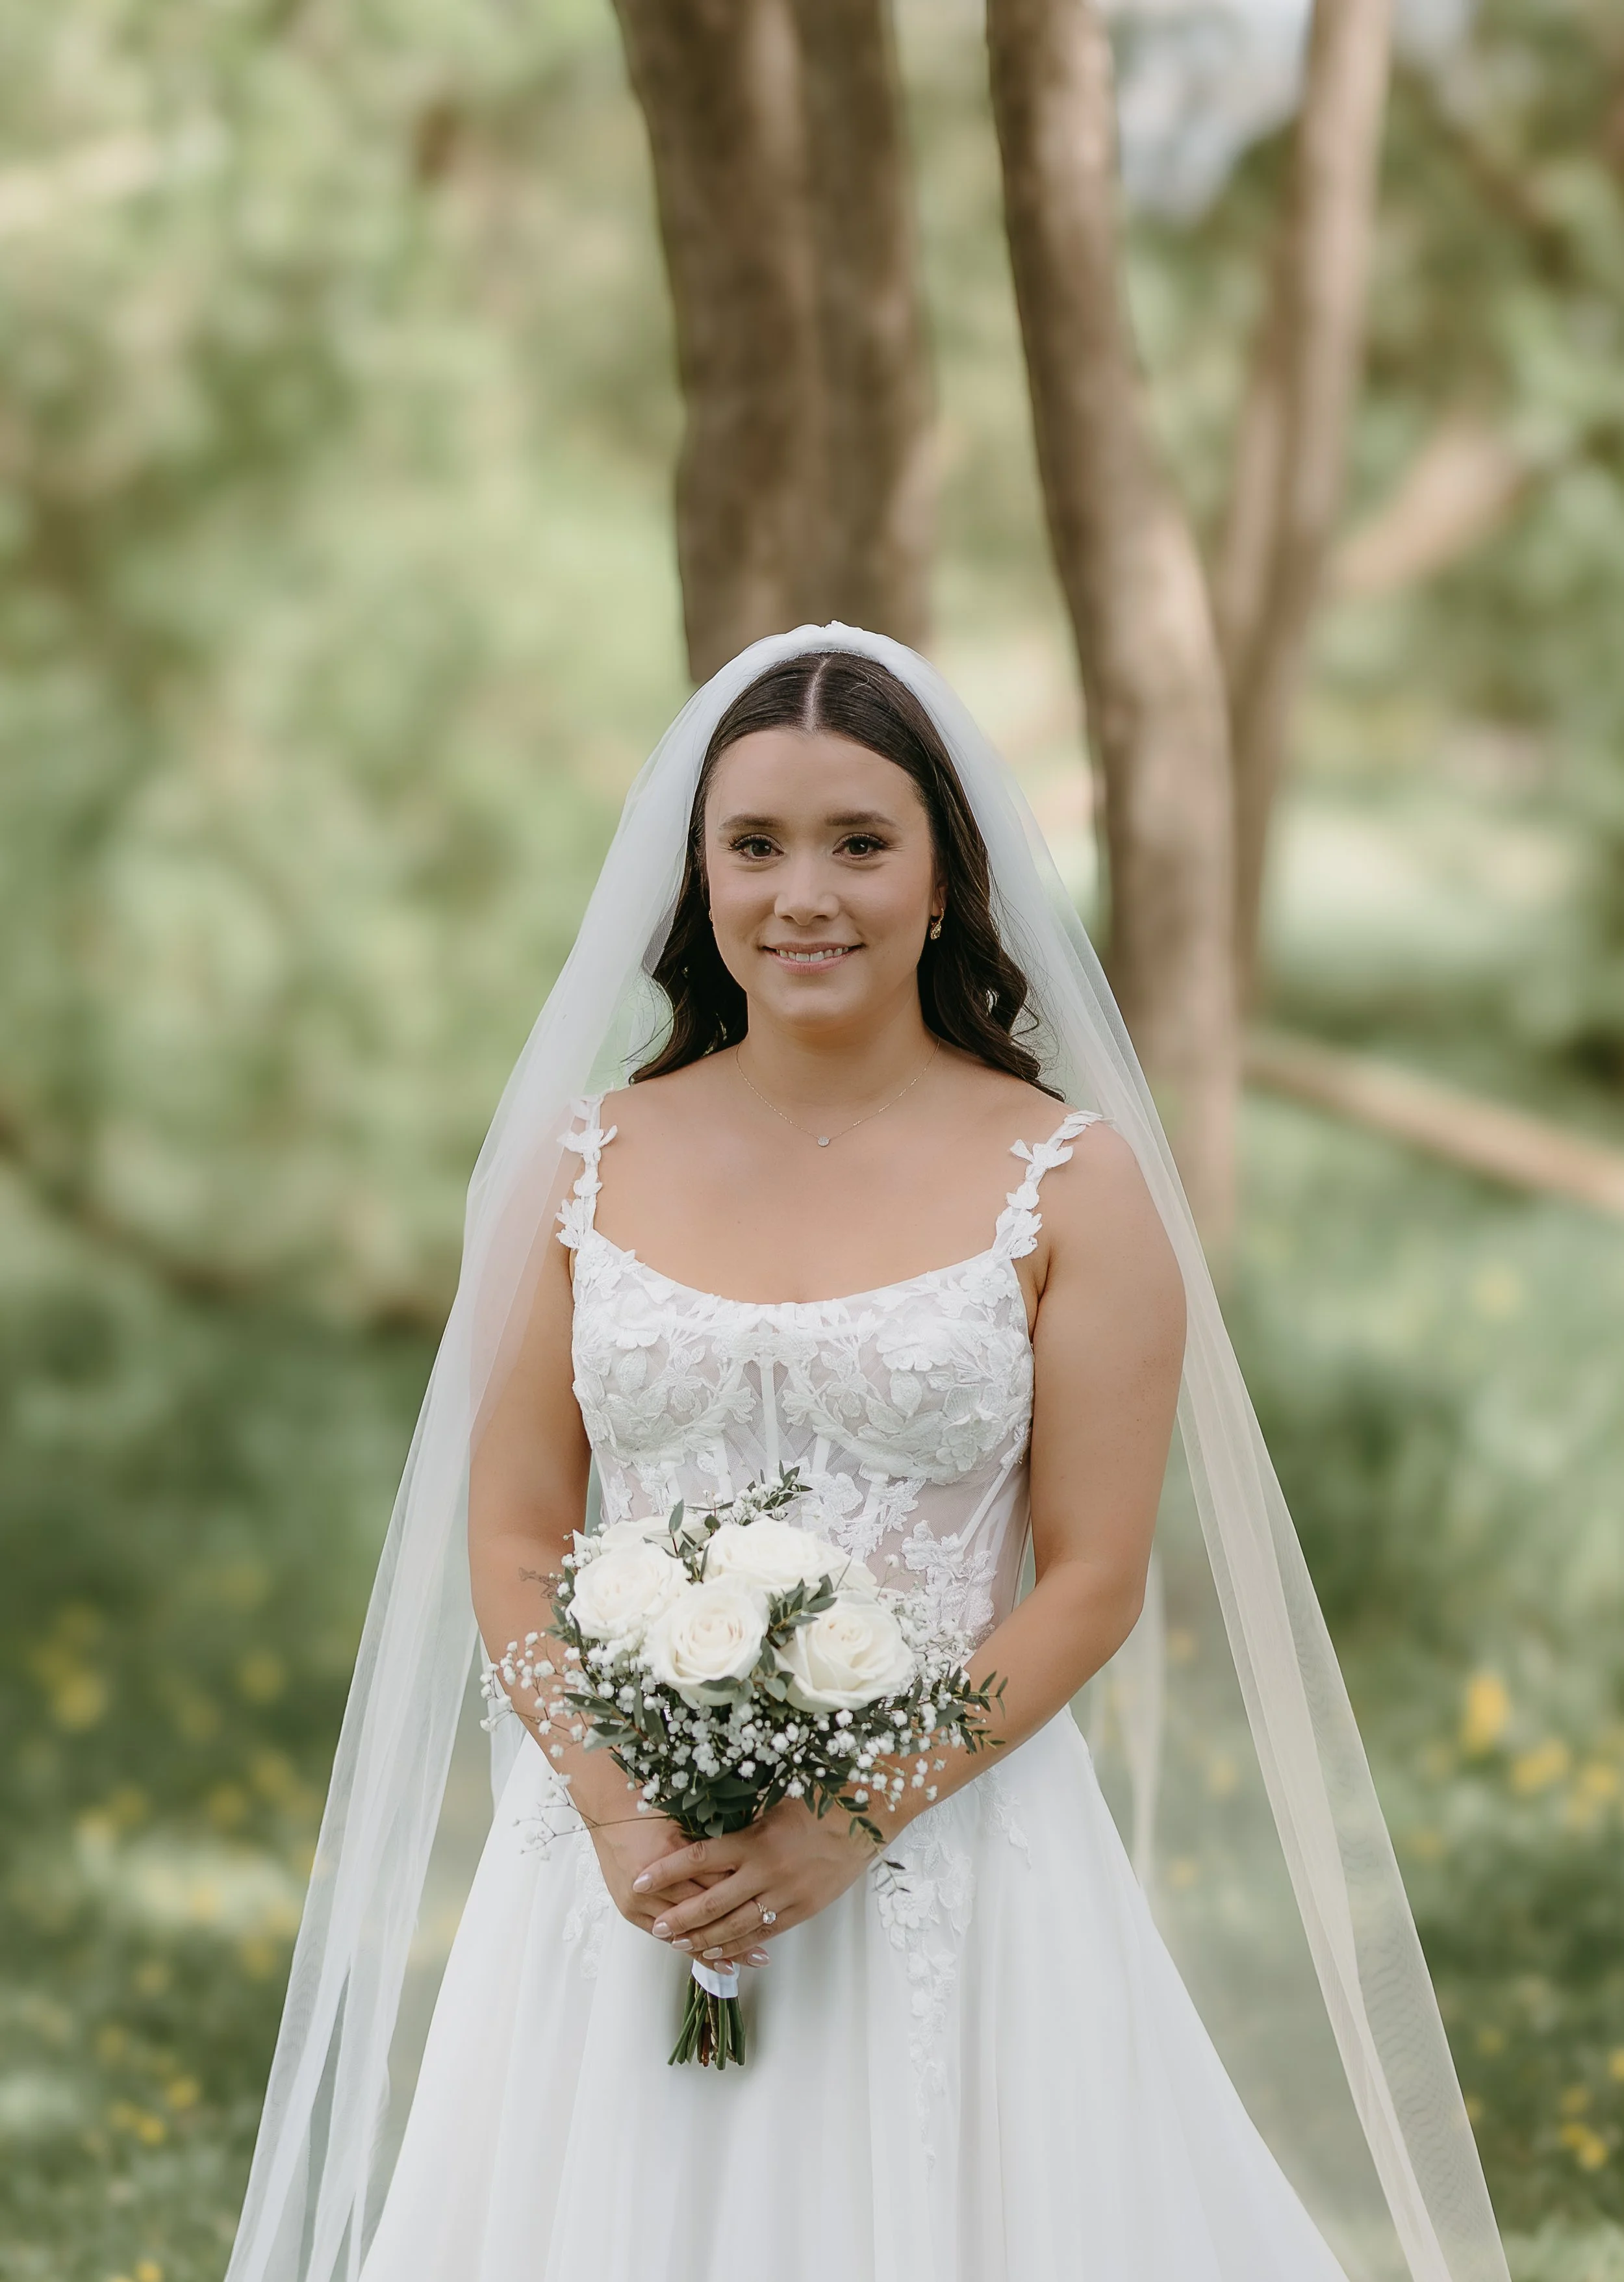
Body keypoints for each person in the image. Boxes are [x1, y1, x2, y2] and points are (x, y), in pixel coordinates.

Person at [225, 629, 1509, 2282]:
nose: (802, 895)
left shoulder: (1074, 1181)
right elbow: (517, 1524)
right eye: (753, 845)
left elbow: (1096, 1574)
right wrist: (621, 1814)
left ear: (943, 874)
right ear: (695, 878)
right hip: (624, 1875)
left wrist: (850, 1814)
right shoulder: (577, 1164)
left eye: (858, 842)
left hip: (947, 1856)